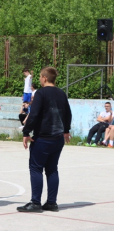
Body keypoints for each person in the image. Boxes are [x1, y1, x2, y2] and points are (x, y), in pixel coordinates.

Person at [18, 67, 72, 212]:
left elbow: (34, 115)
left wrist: (26, 132)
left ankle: (35, 202)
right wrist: (66, 131)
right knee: (52, 170)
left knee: (36, 169)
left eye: (41, 77)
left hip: (43, 138)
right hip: (58, 138)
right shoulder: (61, 93)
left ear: (45, 78)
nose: (40, 79)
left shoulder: (41, 93)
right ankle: (51, 203)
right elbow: (68, 113)